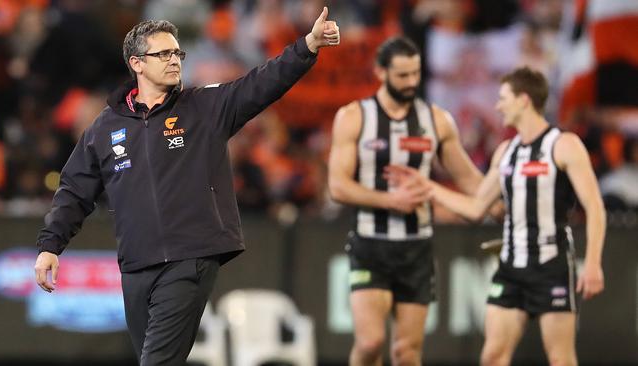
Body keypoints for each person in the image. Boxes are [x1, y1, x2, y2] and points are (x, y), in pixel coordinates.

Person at [34, 9, 340, 366]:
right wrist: (50, 246)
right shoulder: (105, 127)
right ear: (137, 63)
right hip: (135, 266)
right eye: (163, 54)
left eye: (177, 53)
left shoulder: (204, 107)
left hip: (189, 258)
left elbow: (261, 83)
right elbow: (74, 189)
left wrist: (307, 46)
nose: (174, 60)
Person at [387, 66, 606, 366]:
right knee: (492, 357)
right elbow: (477, 208)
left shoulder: (564, 145)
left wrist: (593, 263)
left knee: (561, 359)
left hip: (551, 265)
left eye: (503, 97)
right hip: (511, 268)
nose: (497, 104)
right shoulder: (506, 152)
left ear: (524, 100)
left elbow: (595, 207)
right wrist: (429, 189)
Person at [328, 36, 486, 366]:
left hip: (417, 248)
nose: (412, 82)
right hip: (371, 244)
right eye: (402, 75)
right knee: (371, 343)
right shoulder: (354, 117)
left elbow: (470, 179)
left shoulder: (437, 120)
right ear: (380, 72)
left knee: (407, 351)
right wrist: (390, 201)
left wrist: (500, 200)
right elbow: (338, 186)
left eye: (416, 74)